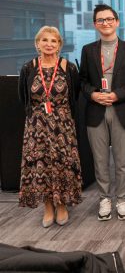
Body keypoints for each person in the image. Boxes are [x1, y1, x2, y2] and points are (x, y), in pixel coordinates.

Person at [79, 4, 125, 221]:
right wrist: (93, 94)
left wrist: (116, 94)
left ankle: (122, 199)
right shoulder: (88, 50)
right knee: (100, 160)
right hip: (96, 110)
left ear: (117, 22)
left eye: (109, 19)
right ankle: (104, 199)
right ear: (95, 24)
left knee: (122, 160)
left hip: (121, 109)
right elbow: (83, 81)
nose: (105, 23)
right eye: (101, 20)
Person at [18, 26, 82, 227]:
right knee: (42, 165)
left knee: (62, 163)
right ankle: (47, 206)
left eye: (53, 41)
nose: (49, 44)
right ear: (37, 43)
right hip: (36, 126)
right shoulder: (28, 67)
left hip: (62, 125)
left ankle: (62, 204)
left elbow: (75, 95)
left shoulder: (68, 67)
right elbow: (23, 96)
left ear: (59, 45)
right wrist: (37, 116)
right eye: (44, 40)